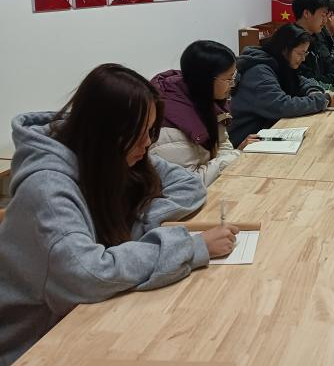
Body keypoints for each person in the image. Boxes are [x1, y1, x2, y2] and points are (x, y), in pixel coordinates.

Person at [0, 64, 239, 365]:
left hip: (83, 319)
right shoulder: (46, 189)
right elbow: (86, 275)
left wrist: (140, 221)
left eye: (150, 131)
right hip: (32, 345)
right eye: (140, 134)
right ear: (105, 133)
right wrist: (191, 247)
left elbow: (188, 185)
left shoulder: (112, 155)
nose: (148, 143)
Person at [229, 24, 334, 148]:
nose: (303, 59)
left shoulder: (281, 63)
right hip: (247, 140)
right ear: (285, 49)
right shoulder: (258, 71)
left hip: (270, 131)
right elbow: (282, 105)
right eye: (300, 53)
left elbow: (301, 81)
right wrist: (321, 100)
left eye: (305, 53)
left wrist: (313, 91)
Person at [149, 41, 241, 187]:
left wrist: (230, 157)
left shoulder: (207, 100)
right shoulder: (169, 128)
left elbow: (222, 145)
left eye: (234, 76)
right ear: (205, 80)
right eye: (229, 79)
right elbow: (187, 184)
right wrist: (235, 156)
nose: (233, 84)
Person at [292, 0, 334, 86]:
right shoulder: (294, 42)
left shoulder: (315, 36)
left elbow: (327, 65)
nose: (325, 21)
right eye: (323, 15)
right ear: (306, 13)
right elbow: (310, 80)